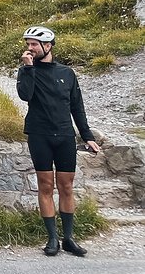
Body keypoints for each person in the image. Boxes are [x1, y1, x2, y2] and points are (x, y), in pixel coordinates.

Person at [17, 25, 101, 257]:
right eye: (28, 45)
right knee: (45, 185)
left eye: (34, 44)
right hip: (39, 134)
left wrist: (87, 136)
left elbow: (77, 107)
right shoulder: (26, 70)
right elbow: (25, 95)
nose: (30, 48)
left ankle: (69, 238)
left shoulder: (67, 73)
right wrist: (28, 68)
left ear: (48, 46)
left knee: (66, 186)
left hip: (64, 135)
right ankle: (52, 238)